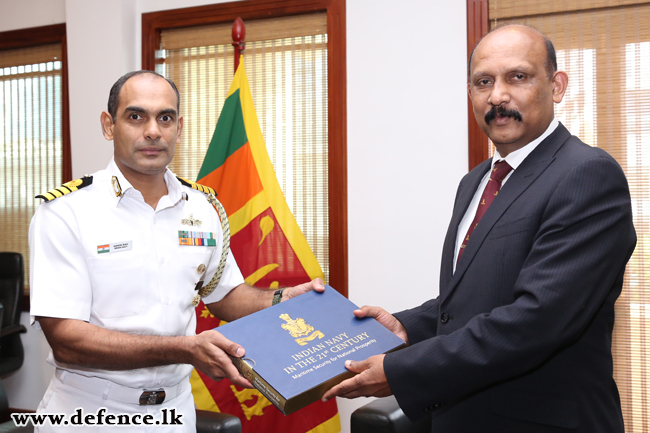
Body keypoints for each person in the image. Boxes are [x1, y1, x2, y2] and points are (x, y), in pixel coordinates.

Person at [322, 24, 636, 433]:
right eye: (483, 82)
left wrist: (400, 370)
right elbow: (472, 301)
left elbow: (536, 321)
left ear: (556, 86)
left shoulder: (588, 175)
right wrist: (407, 327)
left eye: (517, 77)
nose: (498, 96)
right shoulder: (476, 182)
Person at [29, 70, 324, 432]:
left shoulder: (204, 208)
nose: (153, 131)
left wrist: (281, 300)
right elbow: (67, 341)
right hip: (90, 411)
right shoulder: (65, 212)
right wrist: (185, 348)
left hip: (175, 411)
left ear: (178, 128)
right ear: (109, 125)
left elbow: (225, 296)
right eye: (136, 116)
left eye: (164, 118)